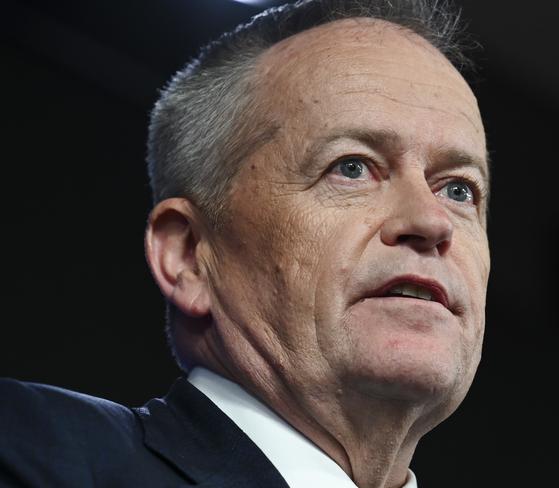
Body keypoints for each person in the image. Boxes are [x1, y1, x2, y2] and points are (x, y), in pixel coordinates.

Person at [0, 0, 490, 487]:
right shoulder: (28, 451)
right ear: (190, 256)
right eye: (352, 167)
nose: (432, 220)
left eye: (458, 189)